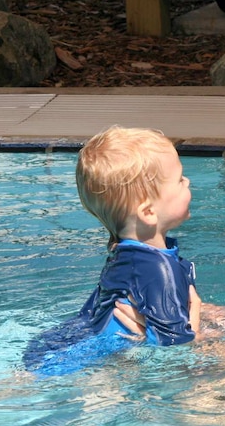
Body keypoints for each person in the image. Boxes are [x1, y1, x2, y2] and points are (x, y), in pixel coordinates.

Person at [23, 125, 201, 375]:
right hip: (82, 364)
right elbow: (175, 345)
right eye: (180, 180)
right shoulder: (157, 268)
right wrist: (200, 337)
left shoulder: (128, 255)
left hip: (64, 351)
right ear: (148, 212)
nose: (188, 182)